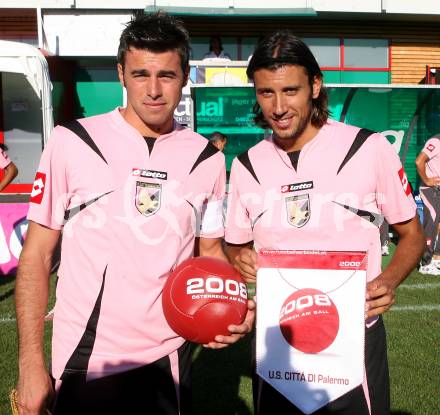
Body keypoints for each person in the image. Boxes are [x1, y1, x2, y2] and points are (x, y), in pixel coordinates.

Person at [15, 11, 254, 415]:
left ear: (186, 77)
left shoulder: (206, 158)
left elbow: (210, 253)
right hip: (85, 359)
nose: (154, 90)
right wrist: (29, 365)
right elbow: (36, 255)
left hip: (170, 360)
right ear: (121, 74)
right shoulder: (72, 141)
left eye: (167, 75)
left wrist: (235, 303)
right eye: (141, 74)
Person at [224, 31, 424, 414]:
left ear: (315, 86)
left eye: (290, 90)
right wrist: (239, 256)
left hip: (353, 339)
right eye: (266, 93)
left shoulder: (368, 148)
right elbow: (235, 244)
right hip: (278, 343)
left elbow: (412, 234)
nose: (279, 107)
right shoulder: (247, 165)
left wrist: (388, 280)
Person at [415, 135, 440, 275]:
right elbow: (419, 161)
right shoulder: (436, 141)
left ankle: (436, 257)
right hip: (430, 190)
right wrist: (427, 180)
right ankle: (425, 263)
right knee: (431, 224)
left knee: (438, 224)